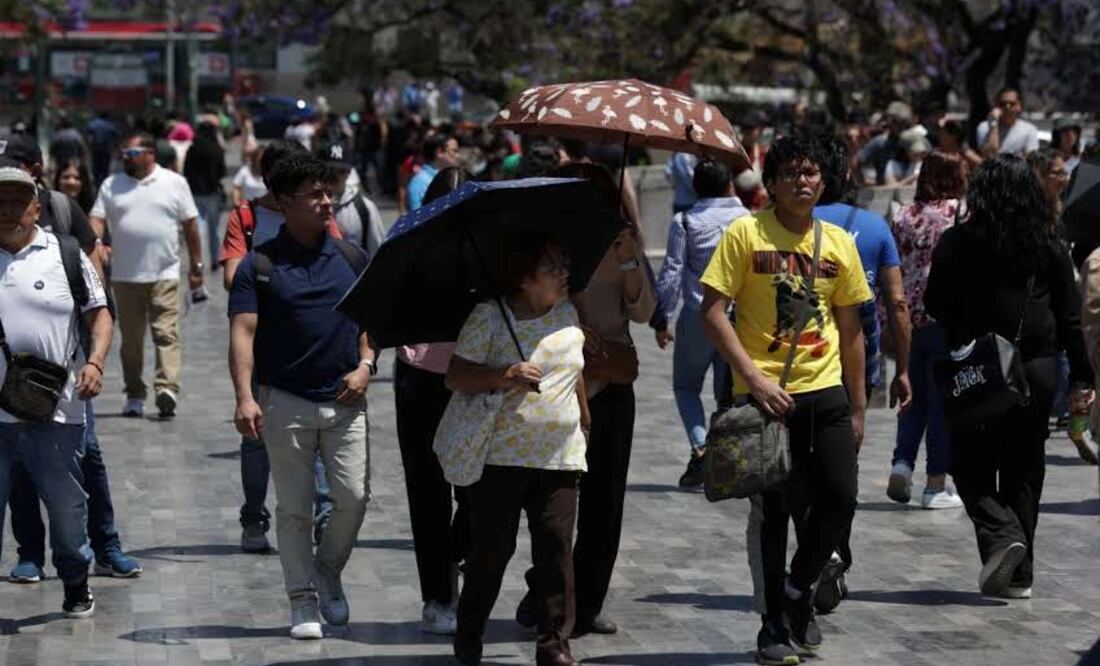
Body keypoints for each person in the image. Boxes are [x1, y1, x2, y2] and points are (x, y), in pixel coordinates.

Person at [700, 134, 871, 664]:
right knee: (773, 514)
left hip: (826, 391)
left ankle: (799, 588)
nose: (803, 181)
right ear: (771, 183)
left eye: (811, 172)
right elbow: (712, 313)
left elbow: (852, 331)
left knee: (841, 498)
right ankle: (772, 623)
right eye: (792, 172)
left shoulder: (838, 242)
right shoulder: (745, 233)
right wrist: (753, 379)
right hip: (765, 399)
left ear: (824, 181)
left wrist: (859, 406)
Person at [924, 154, 1091, 599]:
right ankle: (1020, 575)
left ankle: (1001, 536)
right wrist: (1082, 376)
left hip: (978, 368)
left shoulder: (958, 241)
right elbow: (1069, 316)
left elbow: (935, 303)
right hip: (1035, 370)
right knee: (1024, 467)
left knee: (968, 463)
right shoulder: (1049, 243)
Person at [228, 154, 375, 640]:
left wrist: (366, 366)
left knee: (353, 497)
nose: (327, 201)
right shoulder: (259, 266)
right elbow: (242, 333)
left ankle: (327, 569)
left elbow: (370, 325)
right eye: (315, 194)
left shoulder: (352, 258)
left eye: (329, 192)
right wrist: (244, 397)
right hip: (284, 401)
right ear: (284, 202)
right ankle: (302, 599)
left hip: (345, 401)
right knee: (294, 509)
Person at [517, 161, 655, 638]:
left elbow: (644, 310)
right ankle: (546, 590)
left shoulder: (622, 243)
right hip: (565, 386)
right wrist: (574, 331)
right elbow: (537, 306)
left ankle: (588, 601)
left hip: (613, 383)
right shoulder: (554, 248)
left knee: (605, 505)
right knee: (557, 505)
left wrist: (629, 258)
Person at [448, 229, 589, 666]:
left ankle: (554, 644)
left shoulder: (568, 310)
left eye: (564, 265)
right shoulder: (489, 317)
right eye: (553, 267)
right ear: (526, 278)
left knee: (556, 550)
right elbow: (456, 377)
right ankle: (470, 630)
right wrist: (504, 375)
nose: (564, 273)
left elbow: (575, 372)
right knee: (491, 553)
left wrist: (584, 418)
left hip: (560, 455)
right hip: (501, 459)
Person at [801, 133, 913, 615]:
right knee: (841, 468)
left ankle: (816, 557)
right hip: (855, 365)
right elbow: (898, 303)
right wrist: (903, 368)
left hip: (800, 362)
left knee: (800, 470)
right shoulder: (873, 227)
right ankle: (831, 553)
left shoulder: (790, 226)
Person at [0, 163, 113, 617]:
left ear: (36, 208)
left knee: (67, 508)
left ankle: (75, 580)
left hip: (57, 410)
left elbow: (99, 314)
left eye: (17, 201)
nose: (8, 210)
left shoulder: (65, 253)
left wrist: (95, 362)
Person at [221, 139, 340, 553]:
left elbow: (336, 261)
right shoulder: (246, 216)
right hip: (264, 345)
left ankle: (324, 517)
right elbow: (232, 276)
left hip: (313, 346)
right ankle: (254, 517)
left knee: (320, 431)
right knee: (256, 438)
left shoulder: (320, 215)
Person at [394, 167, 472, 635]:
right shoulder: (408, 246)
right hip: (420, 378)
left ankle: (455, 557)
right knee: (427, 492)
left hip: (475, 380)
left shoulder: (487, 249)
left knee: (479, 491)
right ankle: (438, 595)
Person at [90, 131, 204, 419]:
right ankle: (134, 393)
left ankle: (167, 388)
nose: (124, 158)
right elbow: (97, 219)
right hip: (125, 276)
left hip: (165, 272)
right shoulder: (111, 184)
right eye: (122, 153)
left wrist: (197, 266)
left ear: (150, 153)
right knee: (131, 343)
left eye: (130, 153)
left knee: (167, 333)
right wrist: (97, 242)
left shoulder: (174, 183)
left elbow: (191, 226)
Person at [651, 159, 747, 488]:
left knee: (686, 387)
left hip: (698, 314)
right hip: (738, 317)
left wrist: (661, 317)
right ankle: (728, 460)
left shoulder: (685, 221)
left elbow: (671, 272)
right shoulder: (749, 220)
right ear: (729, 184)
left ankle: (700, 447)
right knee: (728, 393)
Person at [889, 150, 970, 508]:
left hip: (908, 321)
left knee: (912, 397)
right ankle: (935, 484)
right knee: (941, 404)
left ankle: (902, 464)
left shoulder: (903, 215)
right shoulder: (960, 213)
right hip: (946, 320)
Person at [317, 143, 385, 258]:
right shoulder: (311, 206)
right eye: (329, 170)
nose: (334, 175)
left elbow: (378, 252)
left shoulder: (364, 208)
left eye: (341, 170)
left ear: (349, 172)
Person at [183, 121, 228, 269]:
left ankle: (199, 260)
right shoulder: (216, 149)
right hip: (212, 192)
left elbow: (186, 171)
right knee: (214, 229)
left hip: (195, 193)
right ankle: (215, 260)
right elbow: (222, 172)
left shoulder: (192, 149)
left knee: (199, 227)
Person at [856, 101, 914, 185]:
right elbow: (857, 161)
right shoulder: (880, 142)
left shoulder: (912, 140)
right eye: (897, 123)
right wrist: (862, 182)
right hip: (885, 189)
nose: (901, 127)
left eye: (905, 124)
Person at [977, 88, 1040, 158]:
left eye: (1012, 104)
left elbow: (1031, 158)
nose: (1007, 107)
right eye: (1003, 104)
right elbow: (989, 154)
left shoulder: (1029, 130)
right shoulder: (984, 127)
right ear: (996, 105)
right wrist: (994, 125)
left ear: (1019, 106)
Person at [406, 132, 460, 211]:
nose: (458, 156)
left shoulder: (453, 177)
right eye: (454, 151)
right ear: (439, 152)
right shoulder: (419, 182)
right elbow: (417, 215)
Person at [86, 111, 119, 187]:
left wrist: (89, 148)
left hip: (96, 148)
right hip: (106, 149)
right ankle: (103, 183)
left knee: (96, 167)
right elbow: (115, 138)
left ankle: (97, 183)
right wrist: (116, 148)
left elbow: (89, 137)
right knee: (105, 168)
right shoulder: (111, 125)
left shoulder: (93, 124)